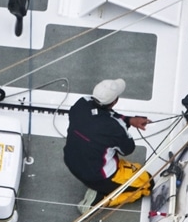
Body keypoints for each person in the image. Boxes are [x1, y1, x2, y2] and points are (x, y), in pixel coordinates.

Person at [63, 78, 152, 206]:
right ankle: (100, 200)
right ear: (114, 101)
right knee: (147, 183)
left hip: (72, 163)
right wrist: (123, 125)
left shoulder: (81, 103)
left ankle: (101, 188)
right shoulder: (115, 127)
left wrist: (129, 120)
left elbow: (103, 116)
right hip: (99, 176)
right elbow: (127, 149)